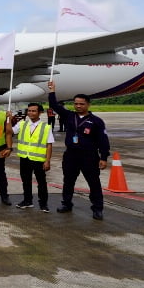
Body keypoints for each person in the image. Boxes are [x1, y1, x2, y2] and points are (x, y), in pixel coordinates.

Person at [48, 81, 110, 220]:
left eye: (81, 104)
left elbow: (103, 141)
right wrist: (52, 91)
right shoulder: (69, 116)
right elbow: (54, 106)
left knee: (94, 183)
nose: (78, 106)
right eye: (76, 103)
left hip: (89, 156)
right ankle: (66, 204)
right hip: (71, 155)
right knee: (68, 181)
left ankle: (97, 208)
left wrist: (104, 157)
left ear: (88, 104)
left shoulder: (96, 121)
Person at [12, 103, 54, 212]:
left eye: (34, 111)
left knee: (41, 182)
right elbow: (10, 131)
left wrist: (47, 161)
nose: (31, 113)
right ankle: (27, 201)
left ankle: (43, 204)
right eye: (29, 111)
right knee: (26, 181)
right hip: (24, 158)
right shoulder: (22, 124)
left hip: (38, 159)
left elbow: (49, 145)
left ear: (40, 112)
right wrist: (8, 119)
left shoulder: (46, 127)